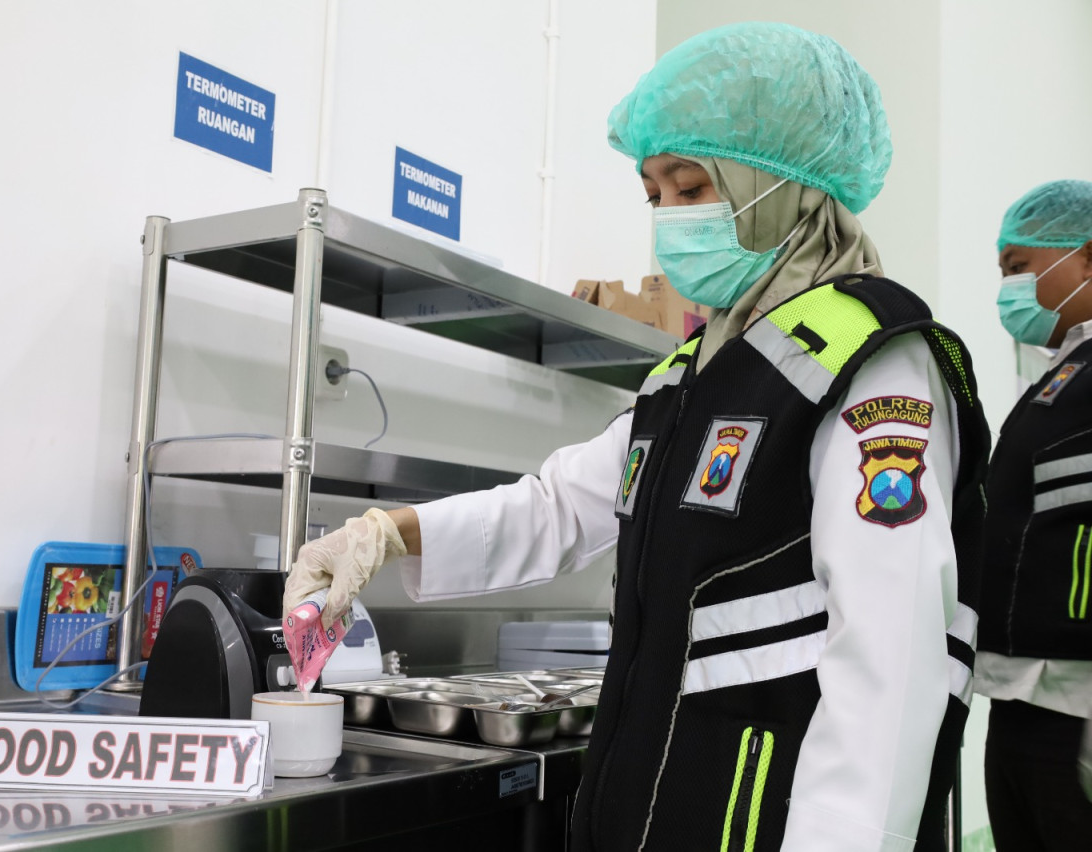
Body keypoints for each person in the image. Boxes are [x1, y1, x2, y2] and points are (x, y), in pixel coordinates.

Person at [286, 23, 989, 851]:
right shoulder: (692, 371)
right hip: (649, 804)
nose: (668, 217)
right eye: (653, 193)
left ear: (783, 181)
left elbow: (894, 659)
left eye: (691, 187)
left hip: (773, 816)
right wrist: (382, 536)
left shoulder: (873, 361)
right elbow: (557, 508)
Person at [977, 179, 1092, 850]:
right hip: (1021, 688)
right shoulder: (1063, 371)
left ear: (1085, 260)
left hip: (1075, 694)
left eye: (1020, 267)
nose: (1009, 289)